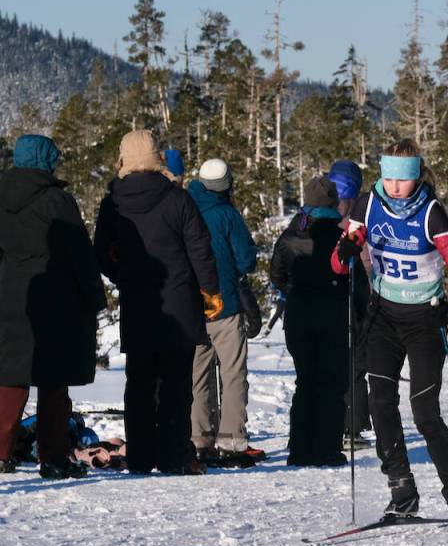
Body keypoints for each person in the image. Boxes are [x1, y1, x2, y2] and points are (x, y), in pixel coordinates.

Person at [332, 139, 448, 523]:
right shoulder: (368, 204)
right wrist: (345, 251)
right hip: (382, 317)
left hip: (423, 322)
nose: (394, 186)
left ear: (416, 176)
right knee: (381, 403)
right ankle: (402, 491)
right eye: (388, 177)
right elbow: (338, 260)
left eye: (402, 179)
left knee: (425, 413)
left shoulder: (431, 212)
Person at [94, 130, 222, 476]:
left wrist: (123, 276)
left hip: (138, 302)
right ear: (155, 158)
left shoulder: (112, 203)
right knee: (175, 386)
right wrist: (211, 292)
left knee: (139, 384)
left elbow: (100, 254)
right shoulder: (176, 199)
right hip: (178, 301)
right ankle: (172, 457)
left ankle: (139, 457)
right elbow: (200, 249)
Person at [0, 135, 107, 478]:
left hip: (8, 298)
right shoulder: (57, 201)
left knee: (8, 379)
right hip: (55, 302)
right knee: (53, 383)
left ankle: (1, 454)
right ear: (46, 160)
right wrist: (94, 296)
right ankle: (55, 458)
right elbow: (80, 255)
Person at [271, 175, 366, 467]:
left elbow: (276, 276)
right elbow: (358, 284)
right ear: (335, 203)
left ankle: (300, 449)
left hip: (299, 317)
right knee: (332, 384)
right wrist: (361, 316)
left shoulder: (290, 236)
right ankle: (327, 448)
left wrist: (294, 293)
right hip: (334, 317)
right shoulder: (343, 238)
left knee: (306, 383)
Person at [188, 158, 263, 468]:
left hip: (191, 307)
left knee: (197, 376)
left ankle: (198, 438)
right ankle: (231, 439)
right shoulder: (227, 215)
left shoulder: (184, 208)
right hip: (226, 305)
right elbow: (246, 261)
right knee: (232, 374)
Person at [328, 159, 373, 449]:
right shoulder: (362, 216)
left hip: (328, 298)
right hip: (357, 298)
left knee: (334, 365)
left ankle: (334, 425)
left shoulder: (319, 213)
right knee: (355, 364)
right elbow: (370, 262)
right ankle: (352, 428)